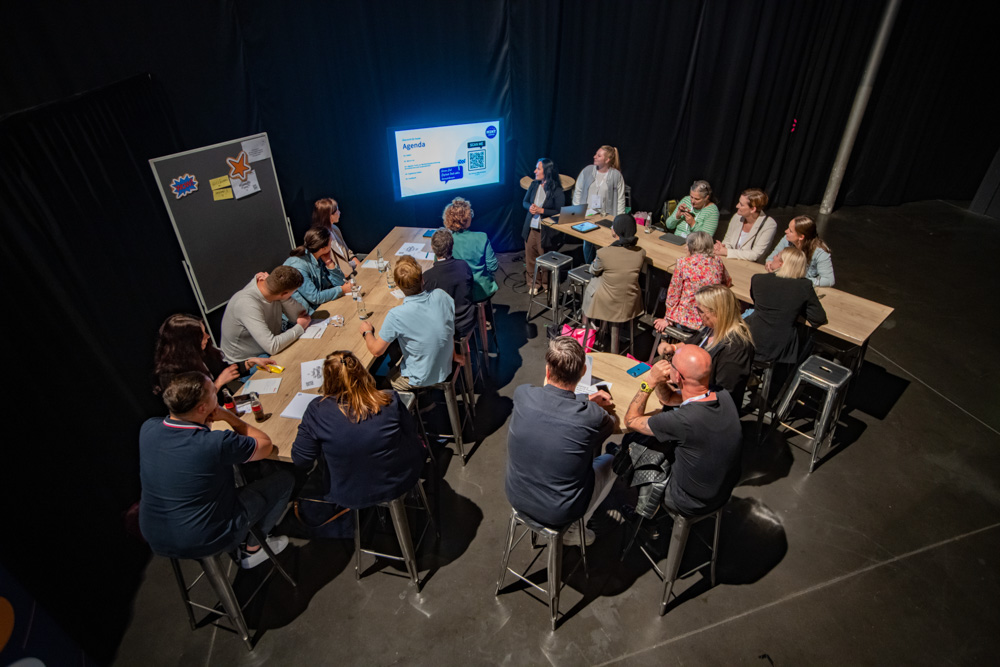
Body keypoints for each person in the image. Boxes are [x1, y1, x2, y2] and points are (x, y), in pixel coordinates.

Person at [139, 372, 294, 568]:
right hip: (204, 539)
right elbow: (265, 445)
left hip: (156, 537)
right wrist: (229, 416)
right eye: (214, 393)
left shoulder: (148, 429)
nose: (217, 395)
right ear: (203, 407)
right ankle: (252, 550)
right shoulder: (214, 443)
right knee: (284, 480)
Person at [505, 336, 617, 546]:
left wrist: (585, 403)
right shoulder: (591, 416)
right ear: (583, 372)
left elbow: (553, 412)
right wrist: (592, 405)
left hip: (516, 496)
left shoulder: (522, 394)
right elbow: (612, 423)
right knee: (613, 459)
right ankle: (575, 527)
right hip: (559, 512)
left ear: (547, 371)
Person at [291, 351, 424, 508]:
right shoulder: (389, 399)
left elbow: (301, 459)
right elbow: (410, 431)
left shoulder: (317, 411)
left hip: (350, 494)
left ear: (327, 379)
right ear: (362, 372)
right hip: (402, 479)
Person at [623, 345, 742, 516]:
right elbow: (669, 399)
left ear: (677, 376)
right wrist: (660, 381)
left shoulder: (683, 420)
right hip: (721, 490)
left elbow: (631, 421)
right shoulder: (721, 394)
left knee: (636, 445)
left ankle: (646, 519)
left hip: (690, 500)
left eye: (672, 364)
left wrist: (649, 382)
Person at [359, 255, 455, 391]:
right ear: (422, 279)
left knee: (384, 382)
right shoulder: (441, 295)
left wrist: (367, 331)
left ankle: (421, 403)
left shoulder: (396, 315)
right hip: (446, 364)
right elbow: (449, 327)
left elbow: (376, 351)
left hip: (421, 377)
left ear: (398, 286)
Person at [657, 285, 755, 408]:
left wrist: (679, 395)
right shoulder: (711, 328)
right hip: (691, 395)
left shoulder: (736, 348)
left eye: (701, 311)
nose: (698, 314)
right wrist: (672, 347)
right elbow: (690, 344)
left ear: (718, 312)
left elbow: (724, 394)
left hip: (708, 408)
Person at [153, 314, 271, 396]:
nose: (207, 336)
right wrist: (218, 383)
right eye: (202, 335)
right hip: (210, 410)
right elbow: (194, 405)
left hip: (225, 393)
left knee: (263, 358)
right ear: (188, 344)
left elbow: (224, 370)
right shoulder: (171, 375)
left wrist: (248, 363)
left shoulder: (202, 351)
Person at [747, 246, 828, 364]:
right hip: (781, 347)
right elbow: (818, 318)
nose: (773, 257)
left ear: (781, 264)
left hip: (751, 338)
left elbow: (757, 302)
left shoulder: (758, 280)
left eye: (777, 256)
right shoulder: (804, 286)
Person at [220, 266, 310, 365]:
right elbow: (272, 347)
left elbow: (299, 316)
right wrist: (300, 327)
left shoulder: (272, 290)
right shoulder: (247, 304)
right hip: (245, 363)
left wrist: (284, 297)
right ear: (284, 293)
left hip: (268, 345)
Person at [654, 231, 731, 332]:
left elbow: (673, 294)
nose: (685, 247)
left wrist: (667, 318)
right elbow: (727, 282)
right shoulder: (717, 261)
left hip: (687, 321)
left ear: (692, 248)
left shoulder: (683, 263)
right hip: (710, 321)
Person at [582, 213, 646, 324]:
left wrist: (594, 263)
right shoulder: (640, 253)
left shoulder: (604, 253)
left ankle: (585, 328)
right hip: (629, 301)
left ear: (616, 231)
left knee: (593, 283)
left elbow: (594, 270)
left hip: (607, 301)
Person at [572, 145, 626, 264]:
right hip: (587, 216)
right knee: (588, 243)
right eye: (596, 154)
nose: (594, 156)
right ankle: (589, 268)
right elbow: (578, 190)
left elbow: (620, 199)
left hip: (605, 218)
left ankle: (600, 273)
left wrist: (618, 222)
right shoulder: (587, 171)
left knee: (603, 245)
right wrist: (577, 211)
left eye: (599, 155)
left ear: (607, 160)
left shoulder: (616, 176)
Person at [283, 226, 350, 315]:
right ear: (323, 248)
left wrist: (329, 263)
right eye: (331, 242)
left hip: (319, 307)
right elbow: (315, 297)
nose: (332, 243)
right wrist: (341, 290)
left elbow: (341, 283)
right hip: (305, 316)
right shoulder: (299, 267)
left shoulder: (319, 256)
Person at [522, 158, 566, 295]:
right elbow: (525, 202)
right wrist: (530, 207)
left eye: (538, 168)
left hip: (545, 231)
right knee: (530, 257)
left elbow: (560, 210)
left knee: (544, 259)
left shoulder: (556, 190)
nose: (535, 171)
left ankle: (547, 284)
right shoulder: (534, 185)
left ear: (547, 171)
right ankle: (534, 284)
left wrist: (542, 211)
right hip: (530, 228)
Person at [442, 197, 498, 303]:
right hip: (482, 291)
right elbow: (493, 267)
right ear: (467, 218)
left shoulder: (446, 241)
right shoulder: (482, 237)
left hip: (457, 293)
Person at [422, 229, 476, 339]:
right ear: (452, 246)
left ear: (432, 248)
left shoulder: (428, 277)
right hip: (468, 319)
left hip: (447, 327)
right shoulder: (464, 266)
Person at [765, 215, 835, 287]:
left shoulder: (820, 252)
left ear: (801, 237)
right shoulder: (786, 239)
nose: (786, 231)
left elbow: (828, 280)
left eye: (790, 231)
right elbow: (771, 257)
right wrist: (769, 264)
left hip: (802, 287)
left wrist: (799, 280)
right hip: (781, 282)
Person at [714, 188, 777, 262]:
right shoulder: (737, 217)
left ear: (753, 209)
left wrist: (726, 251)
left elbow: (755, 255)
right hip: (730, 261)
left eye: (741, 204)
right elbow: (727, 241)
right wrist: (721, 247)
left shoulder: (769, 225)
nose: (737, 206)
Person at [312, 197, 358, 279]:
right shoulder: (319, 238)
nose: (340, 212)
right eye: (337, 210)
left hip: (352, 271)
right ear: (330, 216)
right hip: (342, 279)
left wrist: (360, 266)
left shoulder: (335, 229)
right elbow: (327, 268)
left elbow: (347, 252)